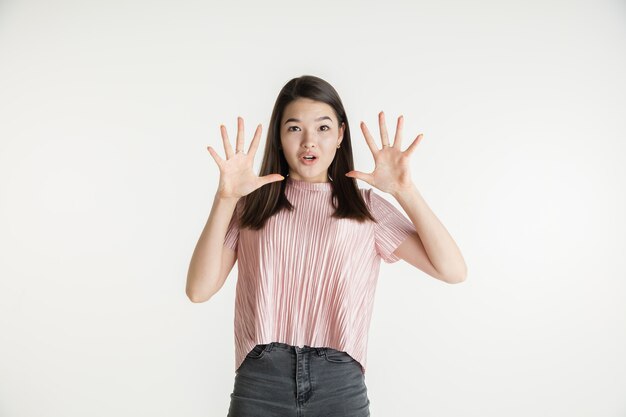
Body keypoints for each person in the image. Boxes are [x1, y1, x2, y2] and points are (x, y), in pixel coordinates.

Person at [186, 75, 467, 417]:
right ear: (278, 137)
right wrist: (226, 198)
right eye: (294, 128)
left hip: (339, 382)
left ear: (340, 135)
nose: (309, 142)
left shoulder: (365, 208)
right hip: (261, 382)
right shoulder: (252, 207)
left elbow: (452, 270)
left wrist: (404, 191)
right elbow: (198, 290)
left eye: (322, 128)